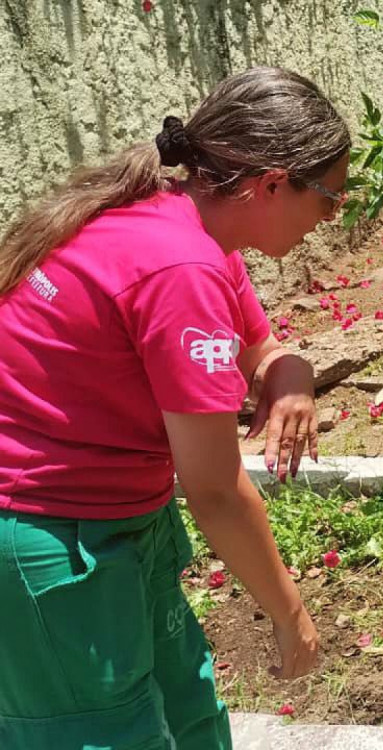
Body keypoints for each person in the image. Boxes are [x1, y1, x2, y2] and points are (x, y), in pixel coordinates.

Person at [0, 67, 351, 749]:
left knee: (187, 710)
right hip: (46, 533)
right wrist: (289, 610)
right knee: (101, 735)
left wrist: (292, 376)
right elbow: (216, 491)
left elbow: (263, 347)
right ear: (273, 183)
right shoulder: (180, 267)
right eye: (330, 197)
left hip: (119, 517)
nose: (333, 216)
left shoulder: (183, 224)